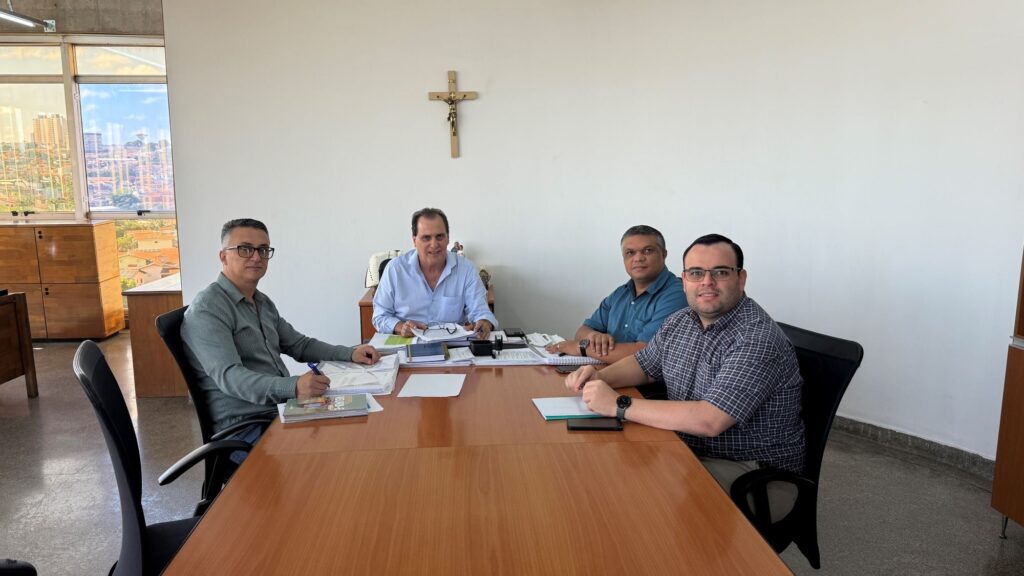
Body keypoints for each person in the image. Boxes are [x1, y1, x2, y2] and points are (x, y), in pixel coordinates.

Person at [565, 233, 804, 518]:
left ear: (741, 279)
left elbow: (710, 420)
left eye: (720, 272)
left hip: (750, 470)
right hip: (687, 447)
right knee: (600, 470)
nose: (707, 282)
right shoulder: (682, 321)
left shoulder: (755, 337)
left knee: (631, 499)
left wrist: (619, 405)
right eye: (696, 273)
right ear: (684, 279)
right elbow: (643, 364)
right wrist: (599, 377)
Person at [182, 218, 380, 448]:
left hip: (282, 410)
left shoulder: (261, 302)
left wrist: (350, 353)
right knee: (340, 451)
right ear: (223, 256)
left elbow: (300, 345)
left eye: (263, 250)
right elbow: (231, 377)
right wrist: (294, 387)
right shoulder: (207, 309)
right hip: (247, 428)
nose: (256, 257)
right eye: (245, 249)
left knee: (363, 428)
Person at [545, 225, 686, 364]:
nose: (638, 258)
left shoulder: (677, 294)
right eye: (630, 253)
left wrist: (582, 347)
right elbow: (582, 331)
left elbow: (645, 353)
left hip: (646, 385)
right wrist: (594, 336)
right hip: (608, 373)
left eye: (648, 251)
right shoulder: (621, 293)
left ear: (664, 254)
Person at [372, 207, 498, 338]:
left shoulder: (466, 269)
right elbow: (380, 316)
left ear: (448, 238)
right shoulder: (395, 269)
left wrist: (484, 322)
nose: (434, 244)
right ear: (414, 240)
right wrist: (400, 327)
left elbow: (480, 311)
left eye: (439, 237)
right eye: (426, 238)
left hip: (453, 347)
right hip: (408, 343)